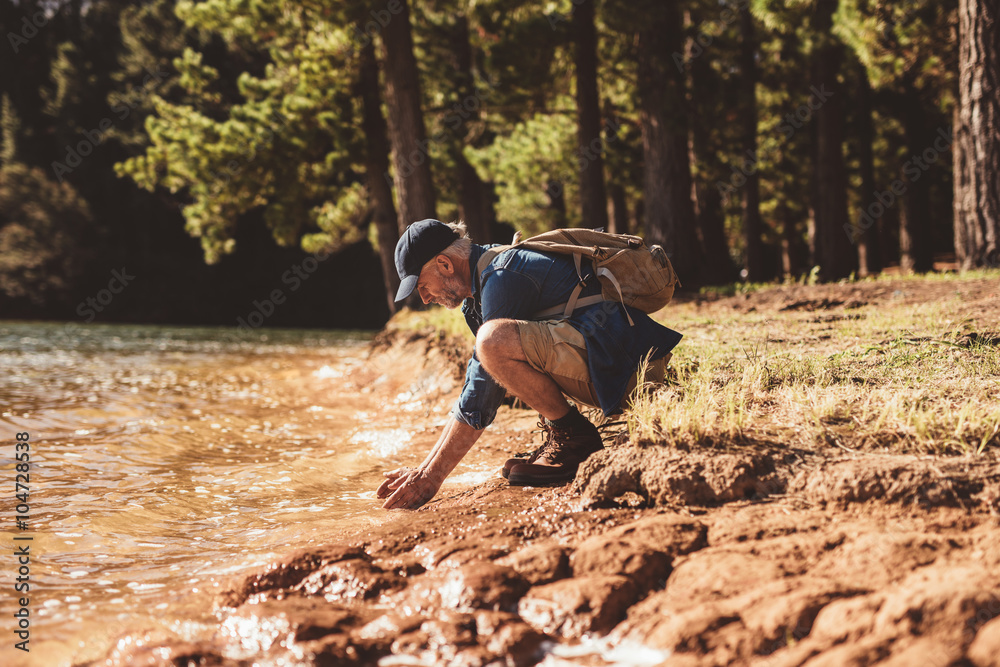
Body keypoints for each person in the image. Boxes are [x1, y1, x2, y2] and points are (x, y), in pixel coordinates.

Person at [376, 219, 682, 509]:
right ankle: (560, 433)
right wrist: (425, 467)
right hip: (617, 360)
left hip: (635, 370)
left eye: (422, 286)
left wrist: (432, 478)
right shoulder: (485, 282)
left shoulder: (502, 275)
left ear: (444, 264)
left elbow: (484, 386)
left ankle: (574, 438)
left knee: (492, 342)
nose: (426, 298)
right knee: (489, 345)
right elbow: (476, 376)